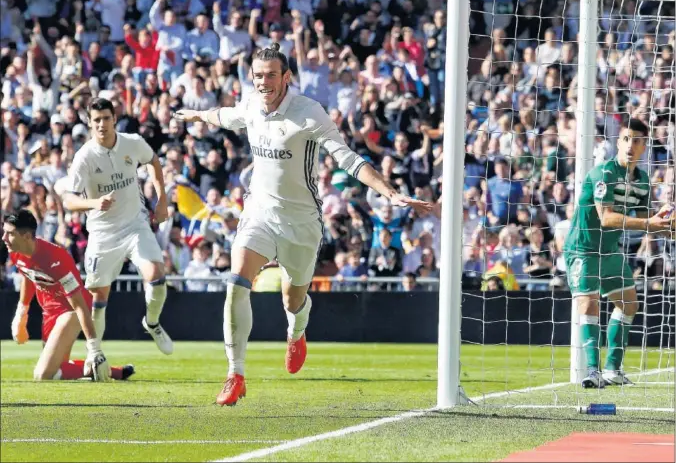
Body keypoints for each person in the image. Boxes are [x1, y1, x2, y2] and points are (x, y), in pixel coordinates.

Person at [175, 43, 433, 406]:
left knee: (292, 299)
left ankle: (296, 332)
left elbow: (348, 158)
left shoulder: (309, 113)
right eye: (258, 75)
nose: (263, 82)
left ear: (286, 77)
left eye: (270, 75)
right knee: (236, 284)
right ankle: (235, 374)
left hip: (302, 222)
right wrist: (199, 115)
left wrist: (389, 193)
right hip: (259, 213)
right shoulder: (250, 104)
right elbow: (226, 114)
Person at [563, 119, 674, 388]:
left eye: (636, 140)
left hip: (610, 251)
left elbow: (650, 218)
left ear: (644, 146)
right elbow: (607, 218)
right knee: (588, 304)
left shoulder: (644, 181)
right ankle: (591, 370)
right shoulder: (604, 173)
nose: (630, 145)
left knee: (628, 304)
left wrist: (667, 224)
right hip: (583, 249)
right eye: (626, 139)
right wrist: (649, 223)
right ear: (618, 142)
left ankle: (612, 368)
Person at [60, 98, 173, 355]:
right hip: (103, 234)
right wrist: (94, 203)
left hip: (136, 226)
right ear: (89, 123)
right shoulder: (84, 157)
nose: (102, 124)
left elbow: (153, 161)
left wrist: (162, 201)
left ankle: (152, 323)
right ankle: (95, 353)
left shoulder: (132, 143)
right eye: (96, 120)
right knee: (99, 299)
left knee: (156, 276)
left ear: (115, 118)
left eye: (106, 118)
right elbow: (69, 199)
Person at [4, 210, 133, 381]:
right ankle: (109, 371)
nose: (4, 238)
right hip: (48, 312)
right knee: (56, 371)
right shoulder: (15, 252)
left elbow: (79, 305)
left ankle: (98, 364)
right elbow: (28, 275)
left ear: (27, 236)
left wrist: (94, 348)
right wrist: (21, 314)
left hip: (69, 311)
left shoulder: (55, 258)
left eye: (10, 233)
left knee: (42, 375)